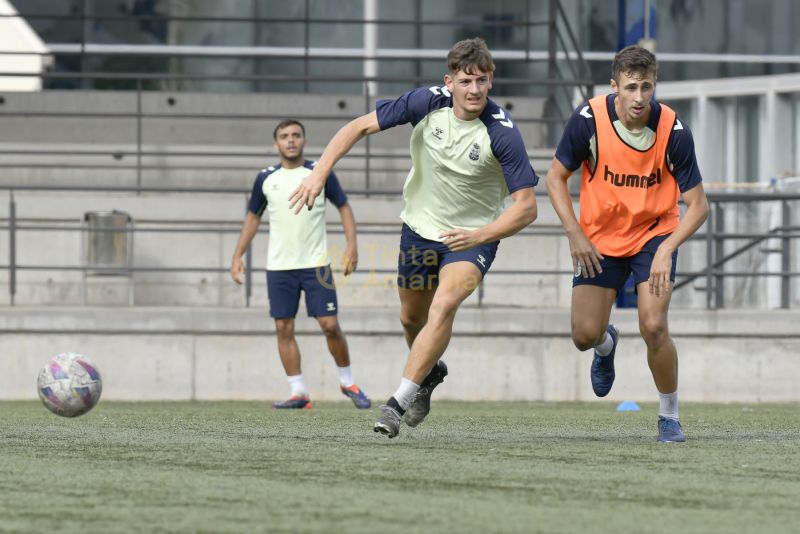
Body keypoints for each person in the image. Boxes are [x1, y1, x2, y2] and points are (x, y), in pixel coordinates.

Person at [289, 38, 539, 438]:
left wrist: (480, 234)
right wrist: (319, 172)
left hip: (473, 238)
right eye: (466, 80)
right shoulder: (425, 103)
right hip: (420, 231)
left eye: (482, 80)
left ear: (491, 81)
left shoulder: (502, 132)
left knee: (443, 306)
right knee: (411, 318)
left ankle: (396, 403)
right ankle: (429, 373)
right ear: (450, 81)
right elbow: (358, 126)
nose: (474, 89)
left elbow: (527, 207)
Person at [545, 45, 709, 442]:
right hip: (598, 239)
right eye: (631, 87)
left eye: (647, 88)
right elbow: (554, 178)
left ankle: (669, 415)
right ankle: (606, 345)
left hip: (654, 236)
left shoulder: (673, 131)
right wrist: (575, 233)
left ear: (655, 86)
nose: (639, 98)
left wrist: (667, 249)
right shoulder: (588, 120)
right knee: (584, 336)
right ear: (614, 86)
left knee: (653, 326)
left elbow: (699, 207)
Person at [231, 119, 370, 410]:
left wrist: (352, 246)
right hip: (279, 266)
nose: (290, 140)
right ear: (276, 144)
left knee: (330, 325)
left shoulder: (319, 171)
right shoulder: (265, 178)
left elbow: (343, 206)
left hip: (316, 264)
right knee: (283, 326)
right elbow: (253, 217)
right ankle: (299, 393)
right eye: (284, 136)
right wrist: (237, 255)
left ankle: (348, 382)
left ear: (304, 140)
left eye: (296, 135)